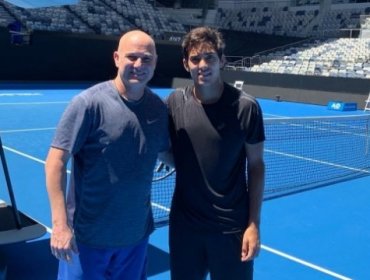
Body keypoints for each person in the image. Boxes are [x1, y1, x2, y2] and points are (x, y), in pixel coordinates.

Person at [45, 29, 169, 280]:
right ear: (116, 58)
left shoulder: (158, 108)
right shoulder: (88, 104)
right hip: (87, 240)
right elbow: (55, 163)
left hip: (135, 239)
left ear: (155, 62)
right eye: (131, 57)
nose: (138, 65)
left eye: (146, 59)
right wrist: (60, 225)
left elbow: (168, 154)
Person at [166, 26, 265, 280]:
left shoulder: (246, 108)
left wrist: (253, 225)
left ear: (221, 60)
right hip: (185, 229)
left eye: (209, 57)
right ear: (186, 64)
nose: (202, 64)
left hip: (231, 229)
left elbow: (255, 167)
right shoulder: (175, 103)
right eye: (195, 59)